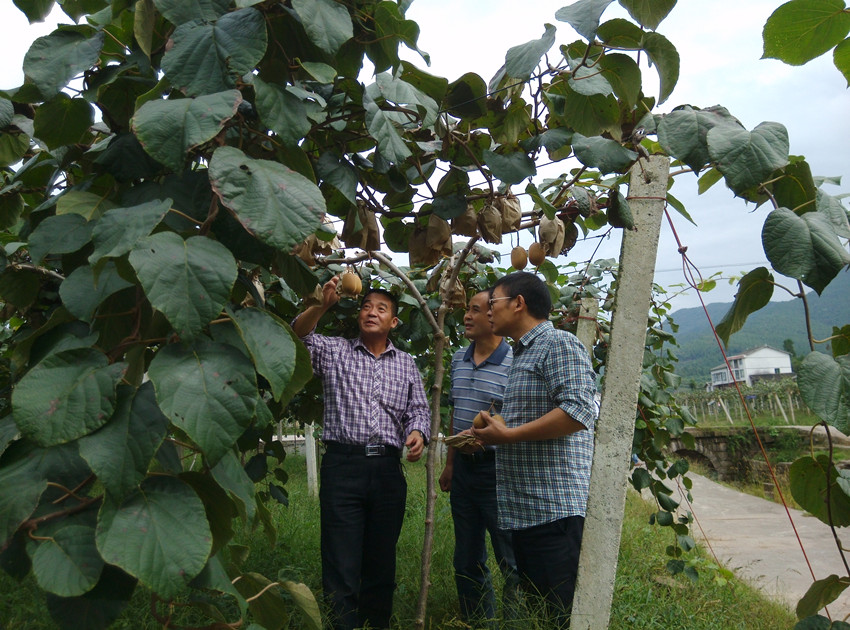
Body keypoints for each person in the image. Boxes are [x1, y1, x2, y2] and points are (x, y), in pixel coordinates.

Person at [292, 276, 431, 630]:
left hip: (386, 469)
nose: (371, 312)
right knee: (340, 557)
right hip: (343, 465)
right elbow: (299, 336)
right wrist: (321, 305)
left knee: (381, 557)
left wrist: (417, 432)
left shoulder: (406, 363)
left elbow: (419, 409)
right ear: (359, 316)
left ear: (393, 322)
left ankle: (376, 622)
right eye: (366, 306)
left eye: (381, 308)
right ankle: (343, 624)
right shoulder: (335, 351)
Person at [470, 272, 597, 628]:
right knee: (544, 615)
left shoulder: (557, 344)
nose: (488, 311)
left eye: (492, 303)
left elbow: (578, 410)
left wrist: (509, 436)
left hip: (554, 512)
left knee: (562, 617)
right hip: (528, 511)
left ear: (518, 303)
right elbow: (535, 420)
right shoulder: (522, 354)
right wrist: (497, 428)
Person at [439, 290, 519, 626]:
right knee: (466, 558)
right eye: (466, 310)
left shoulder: (515, 364)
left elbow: (519, 419)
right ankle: (476, 621)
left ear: (493, 316)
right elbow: (457, 411)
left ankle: (515, 621)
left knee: (510, 559)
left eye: (474, 310)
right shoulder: (458, 358)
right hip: (464, 474)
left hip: (497, 471)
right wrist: (449, 464)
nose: (466, 316)